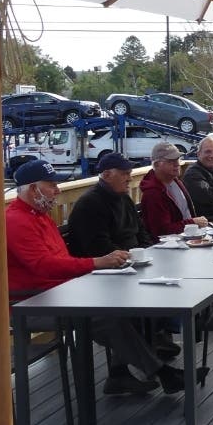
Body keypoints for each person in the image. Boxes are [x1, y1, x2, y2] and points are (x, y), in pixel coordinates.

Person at [6, 159, 188, 396]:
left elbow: (59, 259)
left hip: (62, 292)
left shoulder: (39, 215)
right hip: (32, 303)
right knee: (105, 316)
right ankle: (163, 373)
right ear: (33, 189)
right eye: (51, 185)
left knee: (125, 305)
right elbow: (43, 266)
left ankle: (122, 375)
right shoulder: (16, 221)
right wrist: (96, 263)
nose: (57, 190)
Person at [66, 153, 178, 360]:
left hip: (130, 264)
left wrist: (146, 251)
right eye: (124, 173)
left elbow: (141, 231)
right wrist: (132, 259)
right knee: (152, 289)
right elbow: (99, 247)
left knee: (172, 277)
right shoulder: (90, 203)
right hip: (101, 275)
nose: (129, 178)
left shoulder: (123, 197)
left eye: (130, 173)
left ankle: (155, 336)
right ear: (107, 174)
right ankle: (146, 347)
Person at [139, 141, 210, 237]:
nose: (177, 164)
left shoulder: (175, 181)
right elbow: (161, 231)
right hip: (168, 246)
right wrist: (192, 222)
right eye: (170, 161)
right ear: (156, 165)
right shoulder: (153, 193)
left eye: (178, 159)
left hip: (189, 237)